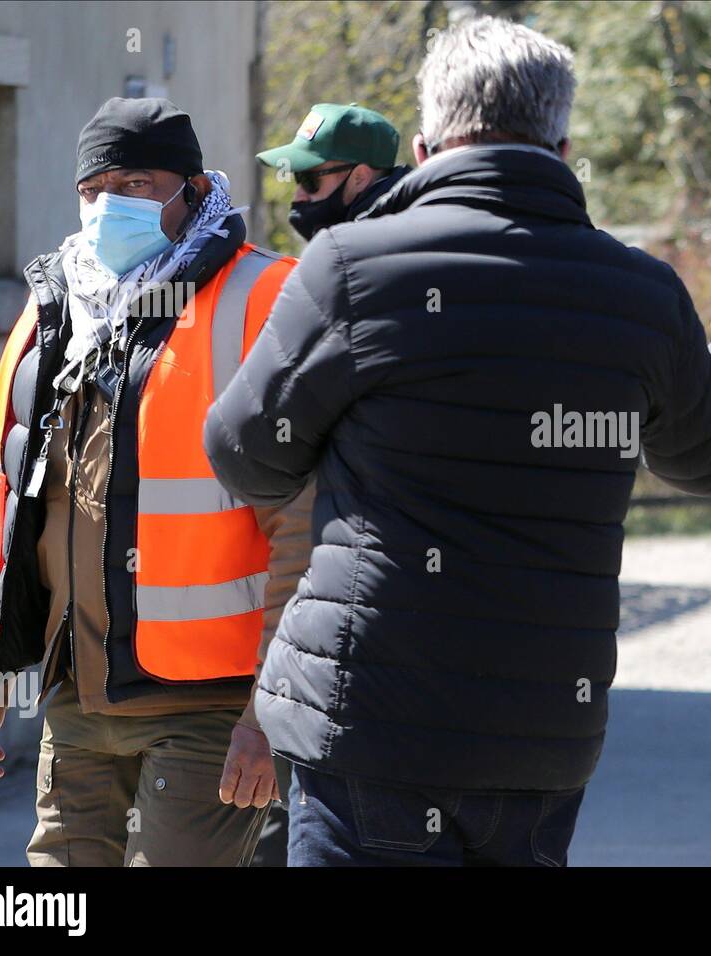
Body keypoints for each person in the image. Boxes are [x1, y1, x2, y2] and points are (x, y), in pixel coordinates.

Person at [204, 16, 711, 867]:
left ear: (427, 146)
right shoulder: (642, 294)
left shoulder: (351, 269)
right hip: (540, 736)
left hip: (370, 726)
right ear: (566, 143)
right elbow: (710, 459)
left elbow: (245, 453)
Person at [0, 98, 299, 866]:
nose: (111, 206)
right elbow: (5, 514)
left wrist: (269, 715)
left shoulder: (267, 301)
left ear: (198, 191)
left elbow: (310, 533)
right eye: (95, 187)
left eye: (138, 183)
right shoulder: (51, 317)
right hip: (78, 699)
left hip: (211, 707)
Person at [248, 100, 409, 866]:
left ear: (365, 177)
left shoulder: (364, 273)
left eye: (312, 180)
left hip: (355, 632)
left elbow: (242, 442)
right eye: (293, 179)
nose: (298, 198)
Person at [257, 102, 411, 241]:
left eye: (309, 180)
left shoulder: (389, 246)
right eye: (298, 177)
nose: (298, 196)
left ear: (359, 177)